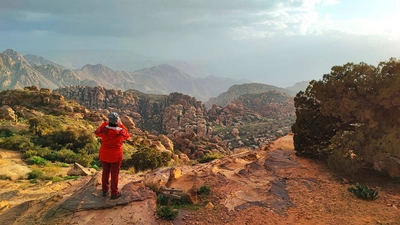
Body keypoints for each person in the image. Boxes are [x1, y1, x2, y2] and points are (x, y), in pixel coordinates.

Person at [95, 112, 130, 199]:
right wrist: (121, 124)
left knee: (105, 172)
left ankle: (104, 190)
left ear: (109, 120)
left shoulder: (104, 130)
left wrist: (105, 123)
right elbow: (127, 135)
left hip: (104, 154)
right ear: (117, 121)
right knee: (115, 174)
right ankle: (114, 193)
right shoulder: (121, 132)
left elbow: (96, 132)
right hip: (116, 156)